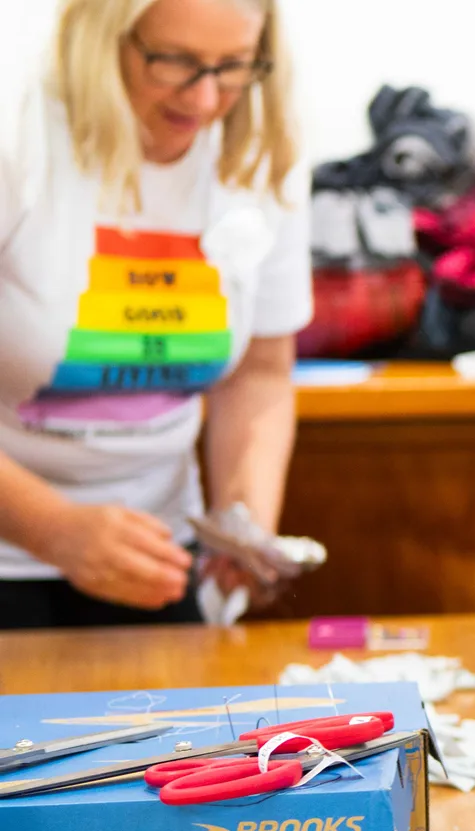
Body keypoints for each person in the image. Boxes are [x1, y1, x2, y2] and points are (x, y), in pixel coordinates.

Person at [0, 0, 309, 629]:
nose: (203, 99)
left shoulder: (257, 149)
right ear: (101, 35)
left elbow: (260, 374)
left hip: (161, 555)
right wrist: (51, 527)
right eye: (173, 62)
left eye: (232, 67)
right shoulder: (20, 125)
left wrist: (242, 521)